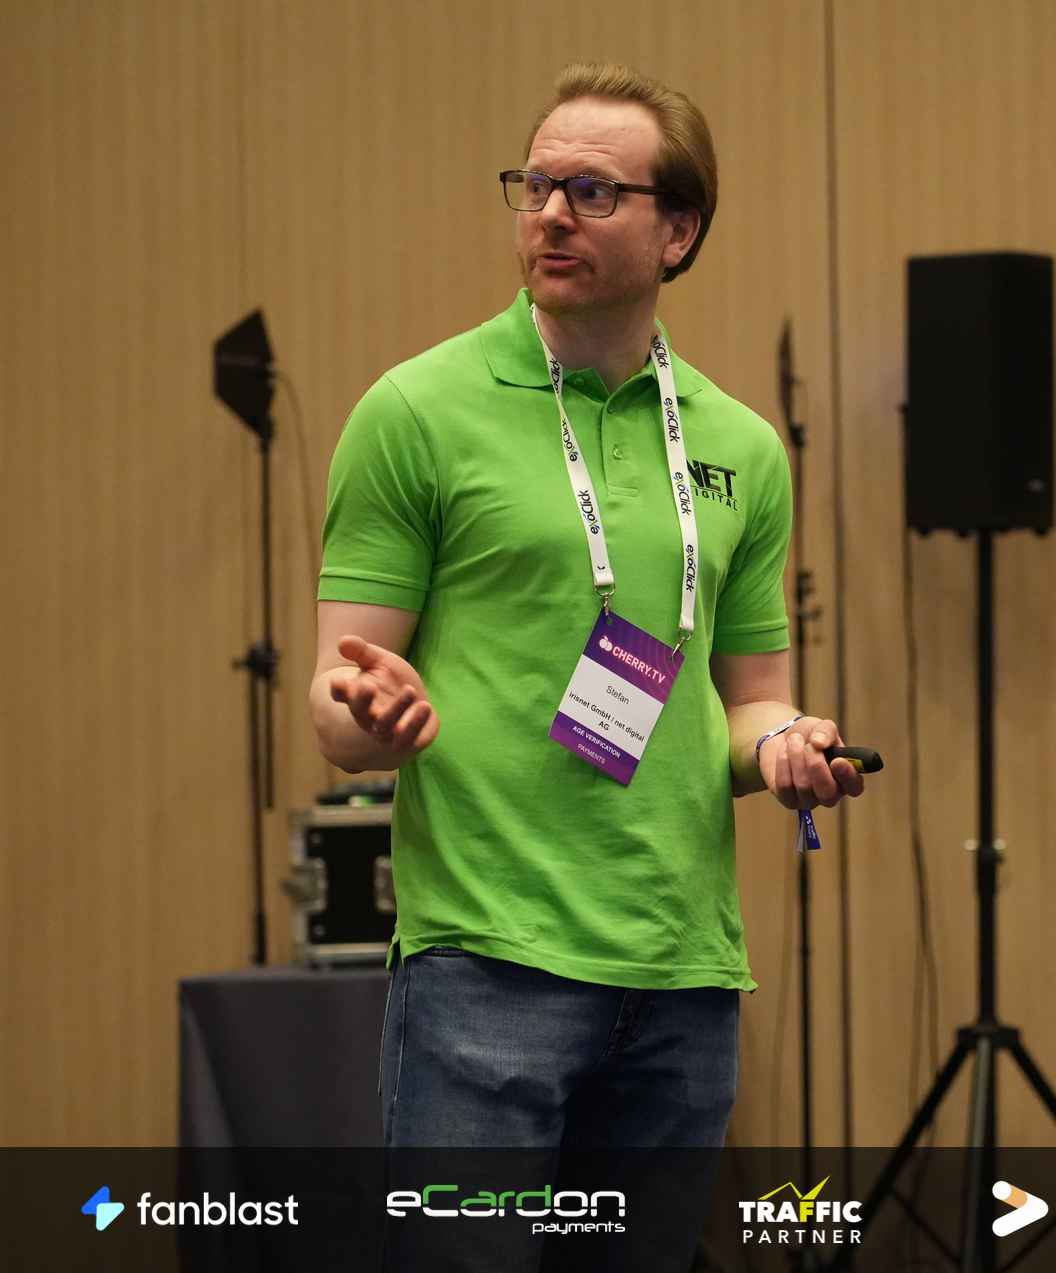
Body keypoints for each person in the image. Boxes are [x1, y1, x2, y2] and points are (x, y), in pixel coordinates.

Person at [308, 61, 867, 1268]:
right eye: (536, 185)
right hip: (485, 962)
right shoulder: (415, 411)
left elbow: (749, 702)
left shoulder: (739, 446)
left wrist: (784, 743)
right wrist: (370, 711)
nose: (551, 213)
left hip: (680, 970)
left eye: (593, 191)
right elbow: (336, 706)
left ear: (679, 231)